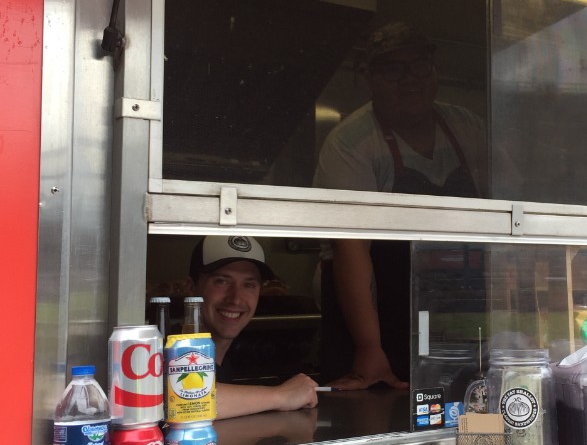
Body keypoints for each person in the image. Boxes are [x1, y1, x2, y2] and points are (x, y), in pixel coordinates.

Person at [314, 22, 488, 390]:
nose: (410, 79)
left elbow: (511, 214)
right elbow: (350, 247)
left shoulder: (467, 129)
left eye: (420, 65)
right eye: (393, 69)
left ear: (435, 71)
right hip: (376, 321)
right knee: (379, 420)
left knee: (471, 412)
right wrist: (369, 347)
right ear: (369, 78)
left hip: (458, 316)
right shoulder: (352, 143)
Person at [187, 235, 319, 419]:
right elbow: (185, 399)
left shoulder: (225, 363)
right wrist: (281, 395)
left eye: (249, 285)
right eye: (222, 281)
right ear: (192, 287)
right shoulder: (166, 351)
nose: (236, 298)